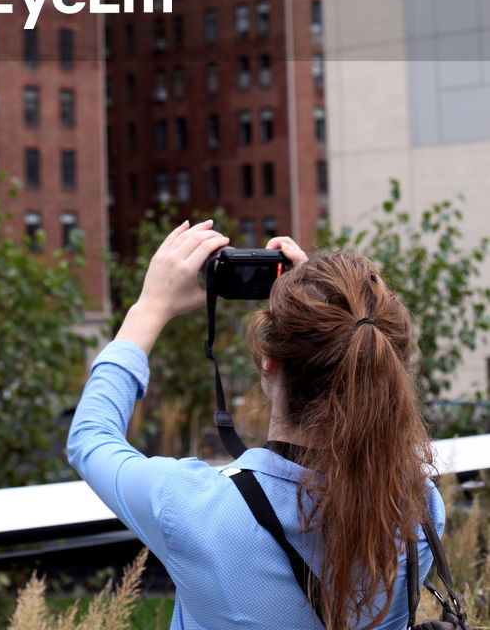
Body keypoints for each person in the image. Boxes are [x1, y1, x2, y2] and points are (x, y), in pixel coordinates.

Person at [67, 220, 444, 630]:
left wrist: (150, 308)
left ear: (269, 364)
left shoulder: (191, 509)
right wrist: (323, 307)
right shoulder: (418, 508)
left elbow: (90, 437)